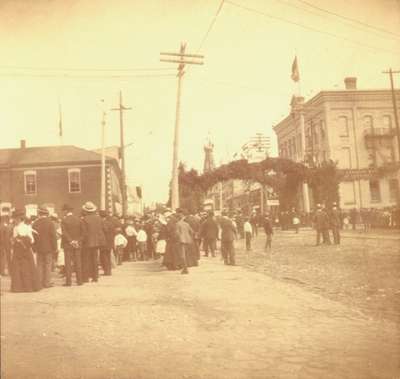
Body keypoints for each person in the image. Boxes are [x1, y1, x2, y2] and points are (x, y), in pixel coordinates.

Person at [9, 210, 41, 292]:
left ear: (19, 219)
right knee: (25, 268)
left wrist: (19, 240)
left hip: (21, 250)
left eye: (15, 219)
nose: (14, 220)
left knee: (21, 268)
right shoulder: (25, 227)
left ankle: (20, 287)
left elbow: (30, 240)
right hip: (24, 250)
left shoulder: (19, 228)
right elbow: (32, 240)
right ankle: (26, 287)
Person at [32, 205, 57, 288]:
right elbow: (53, 236)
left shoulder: (35, 223)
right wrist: (55, 247)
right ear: (47, 214)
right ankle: (46, 283)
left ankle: (39, 283)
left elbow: (33, 236)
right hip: (48, 247)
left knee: (39, 265)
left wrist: (34, 247)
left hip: (39, 247)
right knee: (48, 264)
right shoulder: (50, 223)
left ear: (39, 213)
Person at [81, 202, 106, 282]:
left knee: (86, 260)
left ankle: (86, 277)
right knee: (95, 259)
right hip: (97, 242)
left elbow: (83, 232)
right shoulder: (99, 219)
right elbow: (103, 229)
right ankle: (95, 277)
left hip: (87, 242)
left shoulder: (84, 219)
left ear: (86, 211)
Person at [61, 204, 84, 286]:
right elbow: (83, 232)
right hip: (77, 244)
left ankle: (68, 282)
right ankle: (79, 281)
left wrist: (71, 241)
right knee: (78, 262)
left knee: (68, 263)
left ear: (66, 211)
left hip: (68, 244)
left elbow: (64, 233)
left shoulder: (64, 220)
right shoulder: (79, 220)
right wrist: (77, 241)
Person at [175, 209, 194, 274]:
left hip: (181, 241)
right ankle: (185, 268)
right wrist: (189, 237)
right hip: (188, 240)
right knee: (186, 254)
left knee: (182, 255)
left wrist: (178, 239)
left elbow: (177, 233)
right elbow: (192, 232)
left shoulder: (177, 224)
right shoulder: (187, 224)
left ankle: (185, 269)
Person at [99, 210, 114, 275]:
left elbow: (104, 231)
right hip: (110, 242)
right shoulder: (110, 223)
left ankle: (106, 271)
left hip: (103, 242)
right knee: (108, 256)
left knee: (103, 257)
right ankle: (109, 270)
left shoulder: (102, 223)